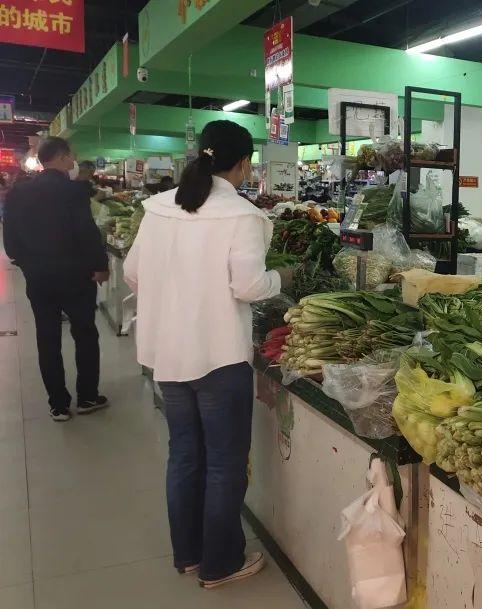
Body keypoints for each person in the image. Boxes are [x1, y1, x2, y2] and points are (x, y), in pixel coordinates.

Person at [123, 120, 279, 589]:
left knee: (185, 456)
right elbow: (249, 286)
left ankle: (189, 554)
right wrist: (281, 279)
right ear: (244, 163)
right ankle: (221, 563)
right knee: (224, 463)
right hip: (219, 359)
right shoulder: (241, 215)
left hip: (168, 356)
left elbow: (133, 273)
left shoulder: (161, 208)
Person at [2, 137, 109, 422]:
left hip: (39, 278)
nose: (73, 161)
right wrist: (100, 266)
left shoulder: (18, 192)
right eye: (71, 155)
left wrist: (27, 264)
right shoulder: (74, 191)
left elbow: (10, 238)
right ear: (61, 157)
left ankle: (58, 405)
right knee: (85, 334)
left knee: (47, 338)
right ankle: (87, 397)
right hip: (76, 277)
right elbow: (86, 232)